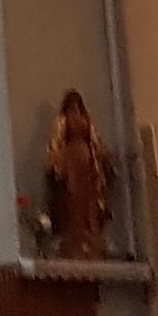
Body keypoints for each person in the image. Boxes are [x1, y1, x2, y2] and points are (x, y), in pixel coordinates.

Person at [45, 89, 114, 260]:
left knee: (88, 202)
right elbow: (56, 142)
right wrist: (55, 164)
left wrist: (103, 158)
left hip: (87, 165)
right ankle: (73, 240)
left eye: (77, 104)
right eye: (72, 104)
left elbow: (95, 142)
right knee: (72, 200)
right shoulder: (62, 121)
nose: (74, 108)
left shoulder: (87, 120)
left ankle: (90, 239)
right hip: (70, 165)